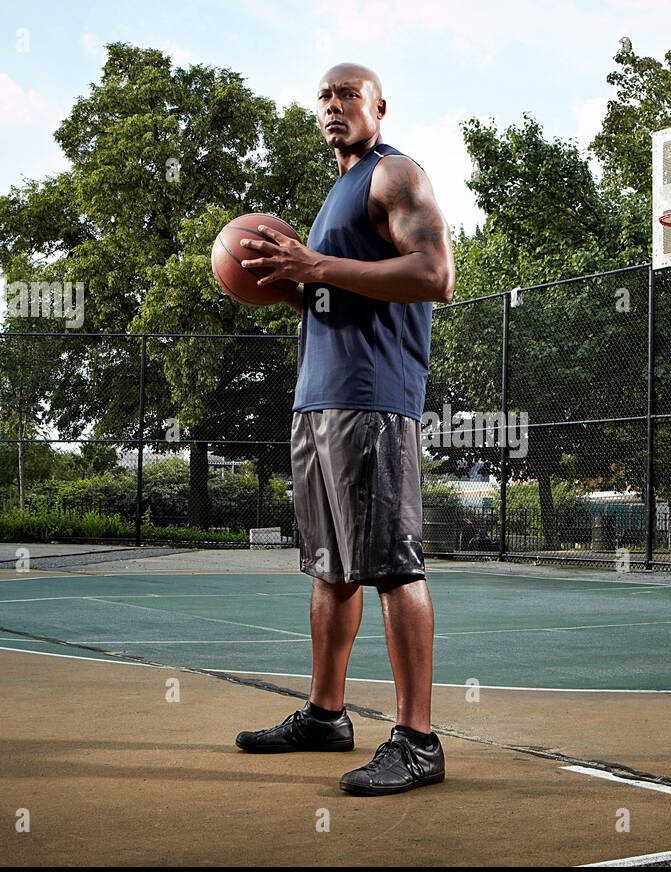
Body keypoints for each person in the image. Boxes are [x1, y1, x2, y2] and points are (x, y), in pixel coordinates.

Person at [232, 63, 455, 796]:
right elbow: (341, 295)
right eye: (324, 97)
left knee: (392, 566)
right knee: (330, 567)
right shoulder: (336, 193)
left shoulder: (396, 177)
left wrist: (315, 263)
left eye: (347, 95)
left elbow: (433, 274)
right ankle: (327, 715)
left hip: (373, 401)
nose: (334, 106)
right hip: (317, 400)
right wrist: (296, 288)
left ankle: (418, 742)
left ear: (378, 106)